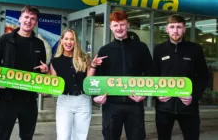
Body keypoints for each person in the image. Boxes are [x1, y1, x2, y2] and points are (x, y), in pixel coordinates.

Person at [0, 5, 48, 140]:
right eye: (26, 17)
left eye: (33, 18)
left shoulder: (39, 44)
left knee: (27, 136)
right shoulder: (5, 40)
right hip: (7, 98)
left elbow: (41, 71)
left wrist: (44, 72)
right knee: (1, 136)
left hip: (29, 99)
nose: (29, 21)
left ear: (36, 22)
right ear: (20, 18)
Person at [93, 10, 152, 140]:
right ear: (110, 27)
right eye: (115, 25)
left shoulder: (141, 48)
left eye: (122, 24)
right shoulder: (105, 50)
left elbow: (150, 73)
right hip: (111, 105)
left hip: (135, 104)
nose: (119, 28)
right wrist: (97, 96)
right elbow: (98, 78)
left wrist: (145, 94)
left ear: (128, 25)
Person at [152, 14, 209, 140]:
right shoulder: (159, 50)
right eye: (172, 27)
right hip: (164, 107)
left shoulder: (195, 49)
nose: (175, 30)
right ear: (166, 29)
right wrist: (157, 94)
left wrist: (194, 97)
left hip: (189, 108)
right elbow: (154, 75)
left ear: (184, 29)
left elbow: (203, 76)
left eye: (179, 27)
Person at [49, 29, 105, 140]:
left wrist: (93, 65)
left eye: (72, 39)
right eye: (66, 39)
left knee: (80, 137)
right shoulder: (55, 61)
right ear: (61, 40)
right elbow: (53, 83)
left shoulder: (84, 58)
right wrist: (45, 73)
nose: (69, 42)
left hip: (83, 101)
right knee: (63, 136)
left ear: (76, 42)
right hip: (64, 101)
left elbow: (89, 80)